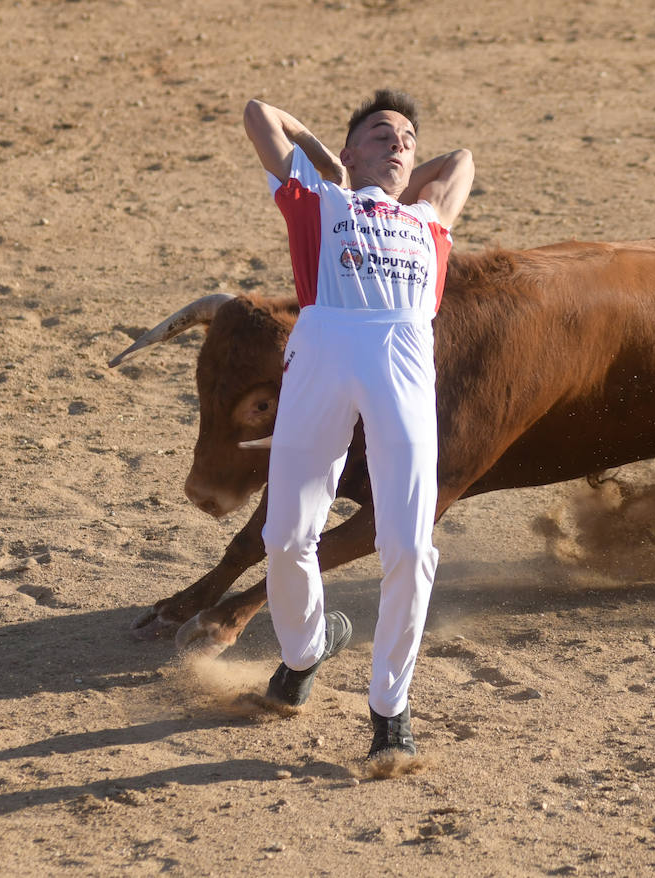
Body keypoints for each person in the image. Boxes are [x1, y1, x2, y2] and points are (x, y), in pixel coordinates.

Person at [243, 90, 474, 758]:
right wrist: (327, 160)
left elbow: (459, 159)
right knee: (285, 536)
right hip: (321, 349)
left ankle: (391, 710)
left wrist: (390, 168)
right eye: (381, 133)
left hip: (403, 358)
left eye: (406, 137)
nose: (399, 144)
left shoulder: (429, 217)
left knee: (408, 545)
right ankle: (308, 648)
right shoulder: (318, 197)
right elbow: (261, 112)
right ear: (348, 150)